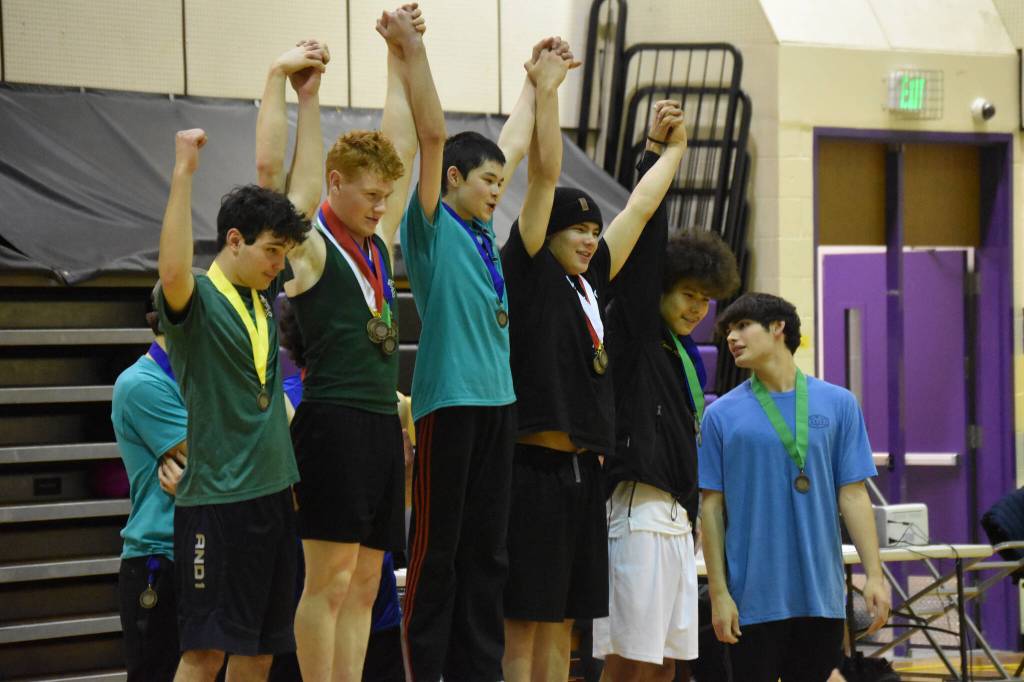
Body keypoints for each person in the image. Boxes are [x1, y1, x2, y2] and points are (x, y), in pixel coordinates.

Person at [398, 24, 575, 679]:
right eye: (488, 182)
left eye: (503, 183)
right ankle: (428, 668)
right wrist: (414, 53)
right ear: (451, 181)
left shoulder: (486, 240)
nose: (499, 190)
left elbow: (519, 151)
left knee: (487, 553)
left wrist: (539, 83)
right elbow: (433, 134)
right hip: (449, 403)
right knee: (436, 551)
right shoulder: (432, 229)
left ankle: (477, 670)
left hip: (499, 407)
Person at [253, 10, 422, 681]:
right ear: (336, 185)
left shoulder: (378, 244)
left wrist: (395, 56)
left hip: (383, 426)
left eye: (387, 195)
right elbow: (280, 183)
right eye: (371, 195)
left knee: (368, 581)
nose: (383, 205)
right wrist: (299, 93)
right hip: (333, 423)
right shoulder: (314, 250)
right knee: (328, 579)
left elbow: (401, 143)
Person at [500, 99, 688, 682]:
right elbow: (543, 174)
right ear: (546, 234)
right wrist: (544, 92)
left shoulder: (591, 282)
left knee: (564, 625)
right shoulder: (528, 272)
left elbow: (639, 207)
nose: (587, 240)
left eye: (590, 230)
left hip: (583, 477)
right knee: (523, 623)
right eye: (575, 231)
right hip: (530, 468)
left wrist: (670, 152)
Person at [156, 113, 314, 679]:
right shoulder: (197, 298)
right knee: (205, 652)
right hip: (218, 503)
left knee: (261, 648)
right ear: (233, 241)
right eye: (272, 252)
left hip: (273, 498)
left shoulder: (260, 298)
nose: (279, 264)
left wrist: (307, 98)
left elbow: (290, 188)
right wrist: (184, 171)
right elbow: (172, 267)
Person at [592, 105, 740, 682]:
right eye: (687, 293)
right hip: (637, 508)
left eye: (707, 301)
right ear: (660, 287)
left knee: (669, 666)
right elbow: (646, 226)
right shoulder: (630, 329)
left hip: (677, 518)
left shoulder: (686, 358)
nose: (697, 308)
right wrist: (658, 154)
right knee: (630, 660)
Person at [698, 293, 891, 682]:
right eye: (728, 331)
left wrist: (874, 574)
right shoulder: (720, 415)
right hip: (751, 596)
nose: (732, 338)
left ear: (778, 328)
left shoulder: (838, 404)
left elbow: (853, 495)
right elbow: (711, 508)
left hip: (820, 594)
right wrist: (719, 594)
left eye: (742, 326)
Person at [111, 299, 188, 682]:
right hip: (159, 556)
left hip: (203, 547)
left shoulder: (199, 376)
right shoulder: (140, 383)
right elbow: (208, 455)